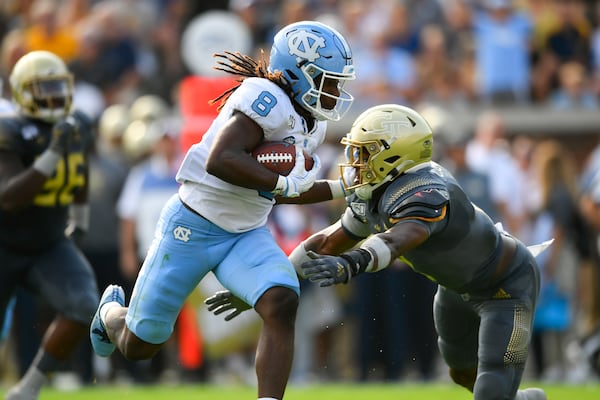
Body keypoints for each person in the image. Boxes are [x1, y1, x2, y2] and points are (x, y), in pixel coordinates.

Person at [208, 104, 551, 400]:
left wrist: (352, 264)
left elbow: (403, 236)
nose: (355, 161)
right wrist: (264, 287)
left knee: (491, 387)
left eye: (364, 151)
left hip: (504, 285)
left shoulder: (426, 187)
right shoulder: (375, 191)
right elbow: (328, 241)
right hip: (456, 289)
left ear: (396, 152)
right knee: (462, 374)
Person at [90, 20, 355, 400]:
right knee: (139, 345)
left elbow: (284, 191)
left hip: (245, 232)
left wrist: (345, 188)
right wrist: (281, 182)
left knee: (281, 299)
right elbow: (222, 159)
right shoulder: (267, 97)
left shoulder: (307, 123)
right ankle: (111, 317)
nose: (335, 91)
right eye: (327, 80)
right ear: (298, 74)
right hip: (193, 226)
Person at [0, 50, 98, 399]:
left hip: (47, 242)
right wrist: (54, 150)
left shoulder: (76, 125)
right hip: (4, 241)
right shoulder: (9, 129)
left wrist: (80, 224)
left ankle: (29, 388)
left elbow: (80, 172)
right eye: (44, 89)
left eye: (58, 87)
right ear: (22, 92)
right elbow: (9, 195)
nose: (54, 97)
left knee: (85, 305)